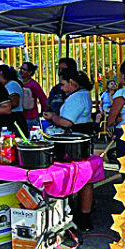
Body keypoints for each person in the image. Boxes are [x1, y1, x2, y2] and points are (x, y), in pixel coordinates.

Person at [44, 69, 96, 230]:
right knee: (85, 178)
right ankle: (82, 215)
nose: (61, 87)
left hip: (73, 143)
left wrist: (52, 117)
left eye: (63, 83)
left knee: (77, 177)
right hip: (80, 140)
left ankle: (74, 214)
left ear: (72, 83)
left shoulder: (77, 98)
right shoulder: (83, 95)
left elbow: (67, 122)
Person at [0, 65, 29, 137]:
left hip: (14, 118)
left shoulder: (12, 84)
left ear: (0, 73)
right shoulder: (4, 86)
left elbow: (15, 102)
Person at [19, 62, 48, 130]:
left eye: (24, 69)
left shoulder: (33, 84)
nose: (21, 71)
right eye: (21, 68)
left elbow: (42, 98)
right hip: (22, 116)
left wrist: (44, 112)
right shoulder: (19, 83)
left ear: (29, 72)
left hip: (31, 117)